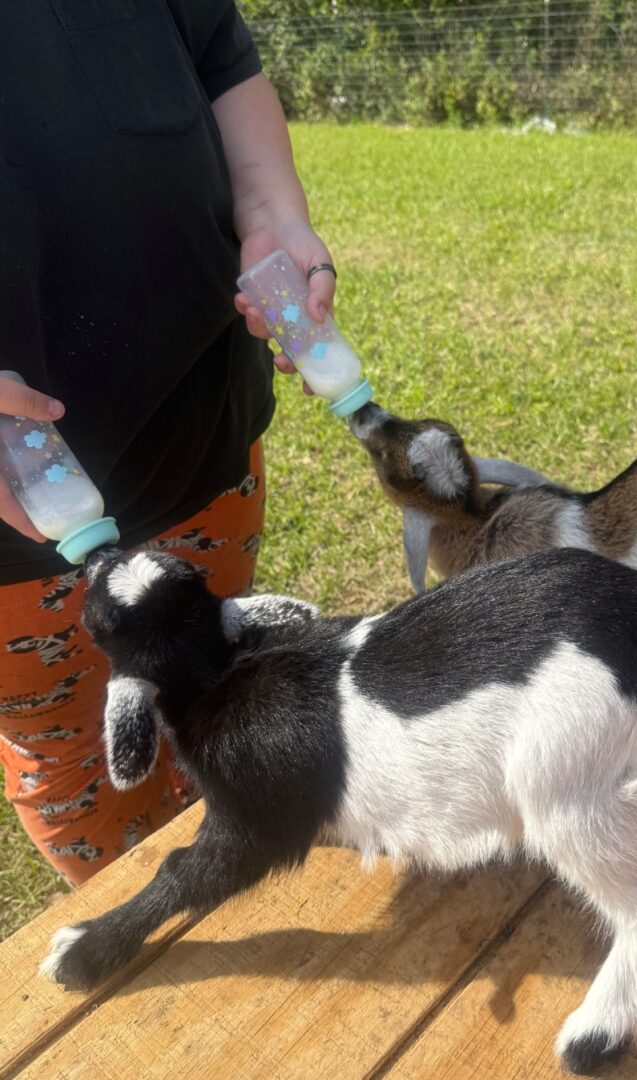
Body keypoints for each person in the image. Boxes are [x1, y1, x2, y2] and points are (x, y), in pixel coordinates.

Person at [0, 2, 330, 885]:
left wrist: (272, 213)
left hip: (199, 431)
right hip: (13, 533)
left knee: (215, 696)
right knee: (80, 764)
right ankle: (146, 920)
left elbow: (220, 59)